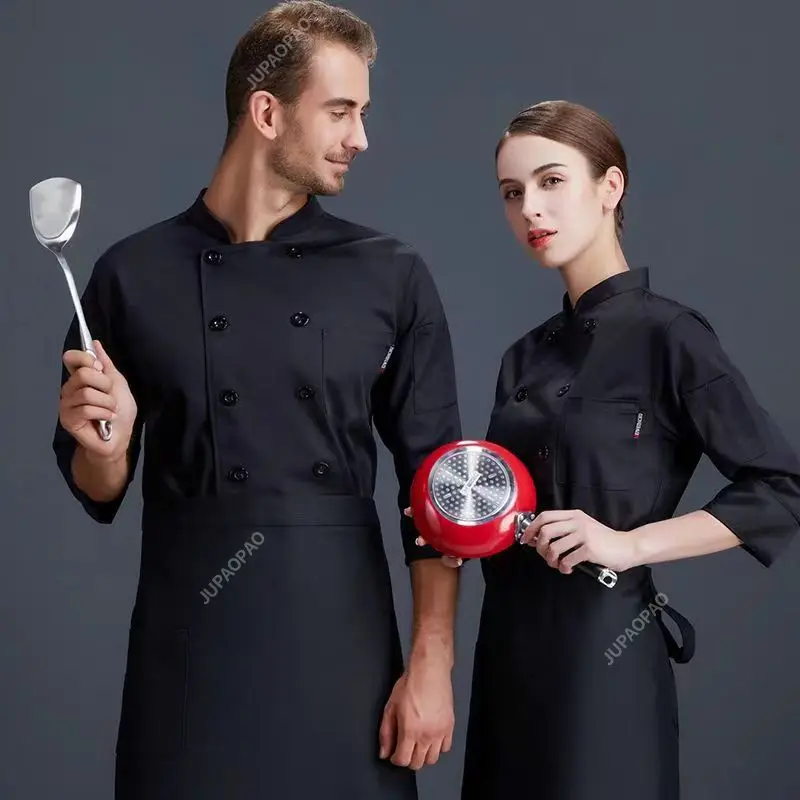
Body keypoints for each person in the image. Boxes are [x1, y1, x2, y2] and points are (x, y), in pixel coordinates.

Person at [52, 3, 462, 798]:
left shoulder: (390, 272)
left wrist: (432, 663)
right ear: (267, 112)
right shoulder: (128, 275)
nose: (361, 139)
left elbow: (436, 489)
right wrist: (103, 449)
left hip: (344, 647)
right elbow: (99, 485)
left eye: (363, 113)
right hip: (192, 647)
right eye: (341, 112)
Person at [412, 99, 800, 799]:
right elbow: (502, 505)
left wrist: (630, 545)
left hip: (605, 657)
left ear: (609, 187)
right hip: (508, 654)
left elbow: (781, 487)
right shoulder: (522, 356)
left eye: (551, 181)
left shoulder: (670, 335)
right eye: (512, 192)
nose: (531, 208)